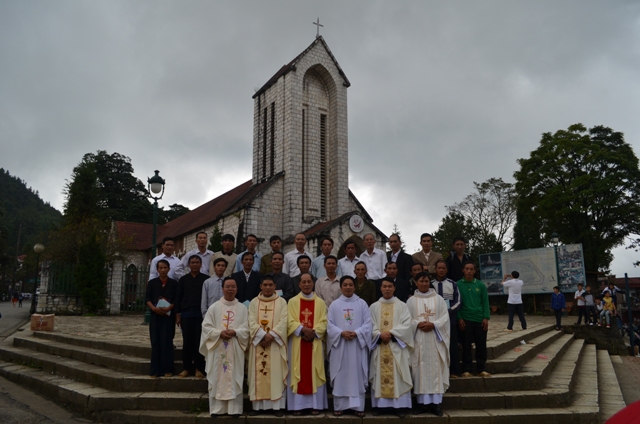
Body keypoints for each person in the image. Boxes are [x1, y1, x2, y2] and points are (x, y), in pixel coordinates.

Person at [199, 278, 250, 416]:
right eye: (227, 286)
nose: (230, 289)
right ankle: (217, 409)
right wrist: (219, 333)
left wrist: (236, 332)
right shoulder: (214, 307)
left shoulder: (242, 308)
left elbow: (247, 328)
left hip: (235, 348)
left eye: (233, 286)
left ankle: (234, 410)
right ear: (222, 288)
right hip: (218, 347)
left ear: (237, 289)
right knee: (217, 376)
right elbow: (206, 327)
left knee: (234, 377)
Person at [327, 276, 372, 417]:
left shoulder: (362, 304)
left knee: (356, 374)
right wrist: (341, 333)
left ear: (354, 287)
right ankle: (339, 406)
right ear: (341, 287)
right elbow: (329, 325)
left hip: (357, 346)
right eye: (345, 285)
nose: (347, 287)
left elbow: (368, 323)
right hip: (340, 346)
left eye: (350, 285)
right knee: (341, 374)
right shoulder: (334, 305)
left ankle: (358, 407)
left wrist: (357, 333)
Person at [369, 278, 414, 417]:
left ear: (394, 288)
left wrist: (391, 333)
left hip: (396, 347)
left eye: (390, 286)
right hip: (380, 345)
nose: (387, 289)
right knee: (379, 374)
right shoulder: (374, 307)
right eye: (384, 286)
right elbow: (369, 325)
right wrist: (378, 334)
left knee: (399, 376)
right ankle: (380, 406)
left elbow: (408, 324)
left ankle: (399, 406)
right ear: (381, 288)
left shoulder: (402, 305)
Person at [407, 271, 450, 416]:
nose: (424, 283)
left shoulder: (439, 299)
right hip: (418, 339)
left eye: (426, 281)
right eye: (421, 281)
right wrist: (417, 323)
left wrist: (434, 325)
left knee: (435, 369)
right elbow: (406, 319)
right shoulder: (411, 301)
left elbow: (445, 318)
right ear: (416, 282)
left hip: (435, 340)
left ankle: (436, 404)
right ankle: (422, 404)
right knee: (419, 370)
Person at [286, 273, 328, 415]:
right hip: (298, 343)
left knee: (314, 372)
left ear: (313, 283)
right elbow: (289, 321)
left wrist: (313, 332)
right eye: (303, 282)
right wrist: (302, 329)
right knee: (298, 371)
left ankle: (315, 405)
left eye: (309, 281)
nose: (306, 284)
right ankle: (298, 406)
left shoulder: (320, 303)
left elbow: (324, 321)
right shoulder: (292, 302)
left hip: (314, 342)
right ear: (299, 284)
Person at [247, 275, 288, 416]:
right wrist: (263, 335)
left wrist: (271, 336)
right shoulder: (254, 302)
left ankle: (276, 407)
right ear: (261, 286)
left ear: (275, 286)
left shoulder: (282, 302)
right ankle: (257, 408)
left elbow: (284, 321)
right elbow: (250, 321)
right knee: (258, 375)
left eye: (271, 285)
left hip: (275, 344)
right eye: (265, 285)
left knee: (275, 375)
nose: (268, 287)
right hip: (259, 343)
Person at [175, 255, 209, 379]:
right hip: (186, 315)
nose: (194, 264)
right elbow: (178, 297)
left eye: (197, 262)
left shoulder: (206, 280)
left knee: (199, 342)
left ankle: (199, 368)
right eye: (192, 262)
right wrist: (178, 314)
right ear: (188, 265)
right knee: (187, 342)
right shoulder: (183, 280)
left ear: (201, 264)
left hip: (201, 315)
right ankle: (186, 368)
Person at [144, 259, 178, 378]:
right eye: (160, 268)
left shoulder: (174, 283)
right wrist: (153, 309)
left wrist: (170, 307)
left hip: (168, 317)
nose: (163, 270)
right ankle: (155, 370)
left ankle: (168, 369)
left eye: (165, 268)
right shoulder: (152, 283)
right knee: (155, 341)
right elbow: (147, 298)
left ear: (169, 269)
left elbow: (176, 299)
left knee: (167, 341)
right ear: (157, 269)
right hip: (155, 316)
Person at [457, 261, 491, 377]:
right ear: (463, 270)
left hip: (479, 319)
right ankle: (467, 369)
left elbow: (485, 302)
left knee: (481, 345)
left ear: (475, 271)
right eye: (467, 269)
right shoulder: (457, 285)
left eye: (471, 269)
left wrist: (486, 317)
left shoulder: (480, 285)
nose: (469, 271)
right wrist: (459, 317)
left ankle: (481, 368)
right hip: (465, 319)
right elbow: (457, 304)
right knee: (466, 345)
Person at [431, 259, 461, 378]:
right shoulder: (430, 284)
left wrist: (447, 312)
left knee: (452, 345)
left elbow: (458, 301)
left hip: (449, 320)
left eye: (443, 268)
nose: (441, 270)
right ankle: (437, 370)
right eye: (439, 268)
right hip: (434, 320)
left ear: (447, 270)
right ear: (435, 269)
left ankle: (454, 370)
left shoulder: (452, 284)